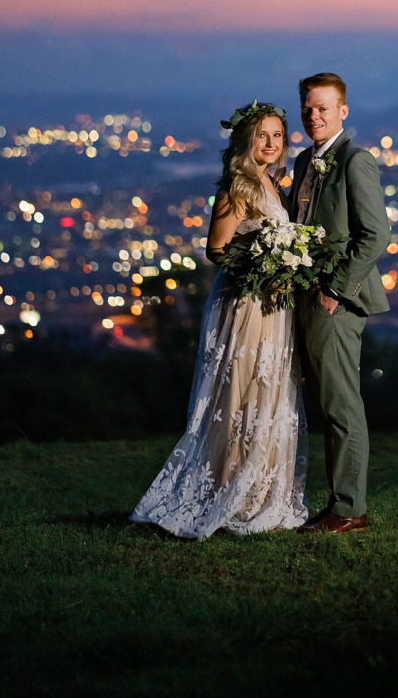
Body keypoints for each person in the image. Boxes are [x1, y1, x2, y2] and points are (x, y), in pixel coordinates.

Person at [130, 101, 308, 539]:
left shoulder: (271, 184)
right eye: (262, 135)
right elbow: (217, 248)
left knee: (269, 393)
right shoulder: (238, 186)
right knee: (239, 394)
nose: (270, 143)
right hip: (247, 305)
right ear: (245, 140)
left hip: (274, 307)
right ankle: (229, 491)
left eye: (277, 136)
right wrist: (263, 267)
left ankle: (263, 493)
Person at [290, 73, 390, 534]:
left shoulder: (355, 160)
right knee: (325, 404)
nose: (315, 116)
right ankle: (338, 504)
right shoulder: (303, 163)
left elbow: (375, 236)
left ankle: (350, 510)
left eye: (324, 108)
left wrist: (335, 290)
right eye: (308, 108)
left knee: (341, 405)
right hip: (307, 298)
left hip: (337, 302)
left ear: (343, 111)